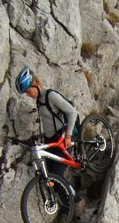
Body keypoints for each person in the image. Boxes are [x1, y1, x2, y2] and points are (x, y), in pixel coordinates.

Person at [15, 66, 86, 214]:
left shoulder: (50, 96)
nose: (28, 95)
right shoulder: (39, 101)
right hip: (51, 141)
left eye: (28, 91)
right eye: (26, 93)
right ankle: (67, 210)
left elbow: (72, 112)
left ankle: (77, 200)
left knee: (57, 175)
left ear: (35, 84)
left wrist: (68, 136)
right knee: (50, 178)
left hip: (62, 138)